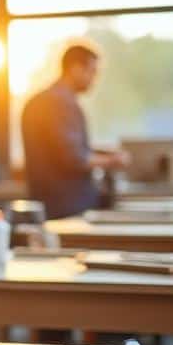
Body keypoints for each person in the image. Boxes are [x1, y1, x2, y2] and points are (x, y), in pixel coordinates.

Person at [20, 44, 130, 219]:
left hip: (53, 202)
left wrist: (104, 153)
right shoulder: (59, 102)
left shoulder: (46, 100)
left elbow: (66, 147)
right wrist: (112, 160)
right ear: (76, 69)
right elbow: (74, 157)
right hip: (66, 207)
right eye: (92, 72)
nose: (94, 79)